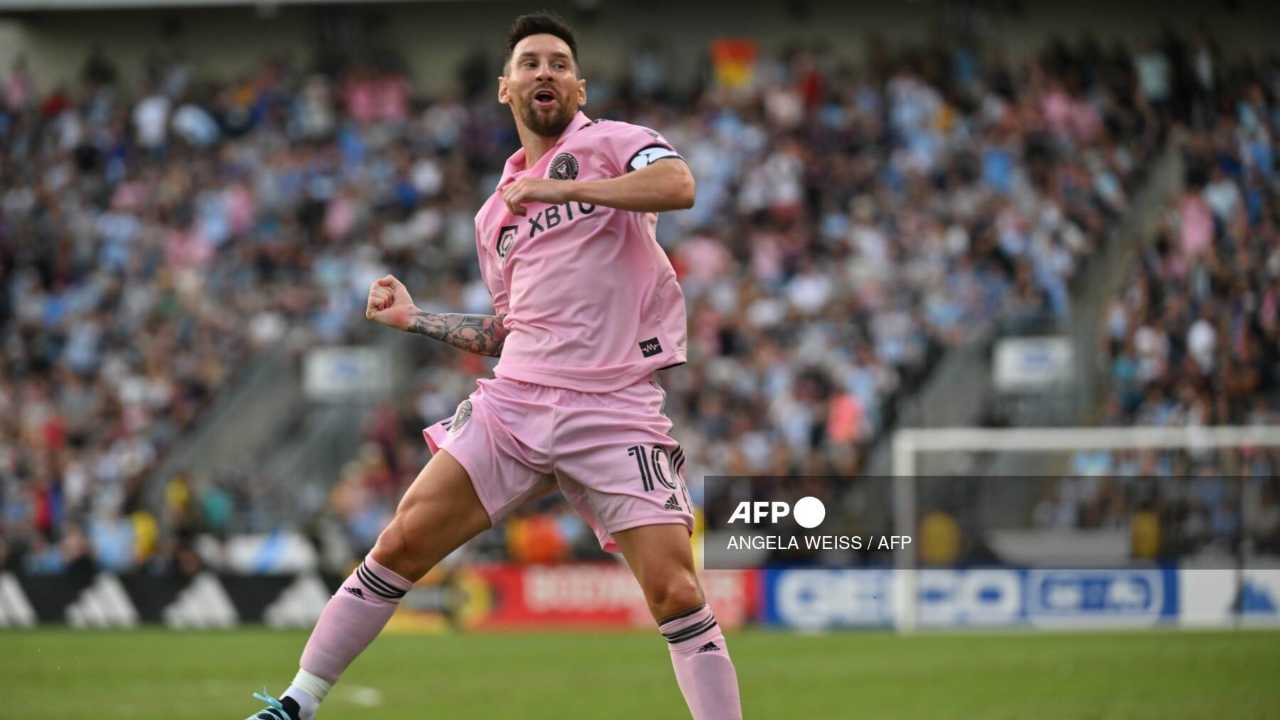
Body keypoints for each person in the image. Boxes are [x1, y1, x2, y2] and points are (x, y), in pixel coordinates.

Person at [245, 13, 742, 720]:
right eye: (531, 63)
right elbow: (510, 331)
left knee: (677, 593)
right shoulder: (493, 217)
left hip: (615, 408)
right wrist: (415, 319)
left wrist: (563, 190)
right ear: (504, 88)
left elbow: (679, 184)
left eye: (560, 63)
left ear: (579, 85)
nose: (546, 71)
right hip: (516, 404)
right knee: (401, 540)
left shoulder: (613, 143)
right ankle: (297, 704)